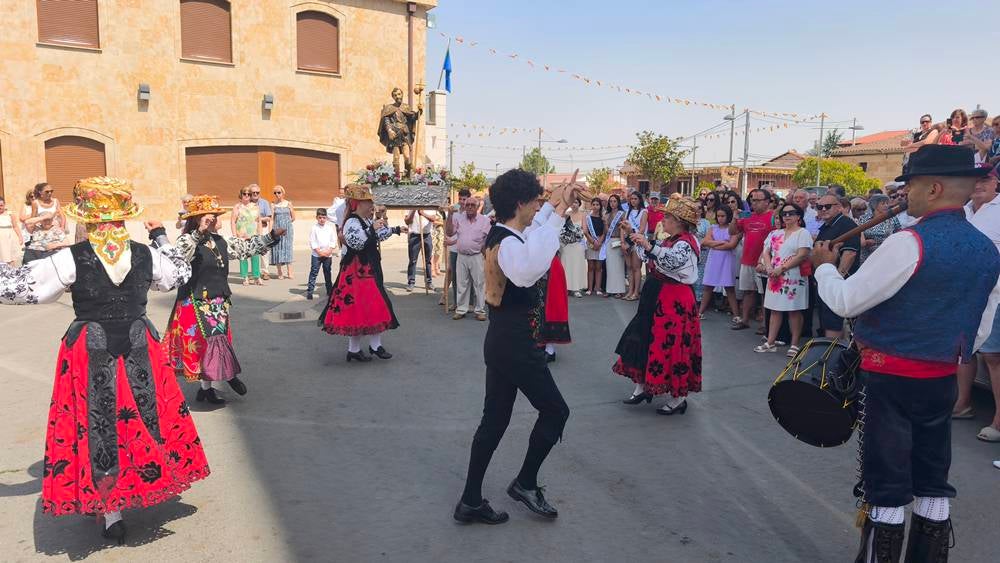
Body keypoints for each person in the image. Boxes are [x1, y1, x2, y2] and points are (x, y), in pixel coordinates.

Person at [812, 145, 1000, 563]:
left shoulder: (908, 242)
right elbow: (980, 321)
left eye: (911, 186)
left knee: (887, 478)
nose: (904, 195)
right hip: (941, 377)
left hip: (890, 379)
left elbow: (846, 301)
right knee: (933, 474)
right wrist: (948, 351)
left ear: (933, 188)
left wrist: (823, 265)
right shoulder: (988, 250)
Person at [0, 177, 209, 545]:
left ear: (87, 219)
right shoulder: (145, 253)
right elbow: (178, 274)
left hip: (91, 347)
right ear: (124, 216)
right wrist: (161, 236)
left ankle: (111, 511)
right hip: (137, 342)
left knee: (100, 421)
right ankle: (144, 481)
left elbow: (19, 288)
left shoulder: (71, 256)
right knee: (143, 416)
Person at [454, 169, 572, 525]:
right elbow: (526, 270)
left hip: (504, 342)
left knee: (494, 422)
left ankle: (470, 501)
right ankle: (525, 483)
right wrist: (559, 214)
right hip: (517, 346)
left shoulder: (507, 233)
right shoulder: (506, 242)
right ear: (519, 203)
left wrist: (554, 207)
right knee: (556, 412)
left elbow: (534, 237)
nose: (539, 206)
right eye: (535, 200)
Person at [165, 195, 282, 404]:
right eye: (214, 216)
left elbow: (246, 248)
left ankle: (208, 387)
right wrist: (198, 233)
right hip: (196, 301)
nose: (219, 219)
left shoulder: (221, 240)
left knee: (217, 344)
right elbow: (179, 256)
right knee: (207, 345)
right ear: (202, 219)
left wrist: (271, 236)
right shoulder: (186, 239)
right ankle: (224, 379)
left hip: (218, 301)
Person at [614, 195, 702, 415]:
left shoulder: (686, 243)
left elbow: (671, 260)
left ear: (679, 221)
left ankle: (679, 398)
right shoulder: (672, 239)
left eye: (668, 217)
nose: (663, 220)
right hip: (657, 295)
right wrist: (635, 234)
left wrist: (648, 245)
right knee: (645, 339)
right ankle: (643, 386)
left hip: (675, 299)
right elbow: (651, 256)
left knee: (672, 345)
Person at [320, 184, 407, 362]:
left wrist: (396, 230)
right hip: (357, 272)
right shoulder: (352, 222)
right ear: (357, 204)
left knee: (370, 307)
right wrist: (372, 229)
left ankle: (365, 348)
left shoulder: (366, 220)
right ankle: (364, 347)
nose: (371, 205)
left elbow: (379, 235)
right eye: (368, 202)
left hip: (368, 268)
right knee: (364, 307)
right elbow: (357, 243)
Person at [953, 166, 1000, 447]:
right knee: (964, 350)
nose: (979, 184)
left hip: (994, 293)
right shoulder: (964, 210)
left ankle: (998, 420)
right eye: (975, 179)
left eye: (986, 179)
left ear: (996, 183)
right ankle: (962, 403)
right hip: (966, 294)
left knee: (994, 357)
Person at [755, 202, 812, 356]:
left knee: (794, 310)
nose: (787, 216)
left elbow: (802, 254)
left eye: (791, 213)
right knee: (774, 309)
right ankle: (770, 342)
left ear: (798, 216)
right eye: (784, 214)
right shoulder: (775, 233)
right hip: (774, 275)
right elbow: (766, 252)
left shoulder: (803, 233)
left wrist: (782, 268)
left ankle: (794, 344)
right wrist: (768, 267)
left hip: (793, 276)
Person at [812, 194, 860, 338]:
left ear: (839, 207)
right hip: (826, 282)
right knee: (826, 320)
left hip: (837, 283)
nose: (823, 209)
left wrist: (835, 280)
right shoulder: (827, 226)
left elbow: (850, 254)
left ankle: (832, 356)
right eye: (820, 207)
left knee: (834, 322)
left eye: (828, 206)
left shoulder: (846, 224)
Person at [729, 188, 773, 330]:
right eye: (752, 200)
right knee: (748, 291)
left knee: (764, 295)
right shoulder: (747, 217)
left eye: (758, 200)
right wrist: (735, 217)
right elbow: (732, 231)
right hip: (747, 260)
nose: (754, 203)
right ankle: (745, 320)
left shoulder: (773, 217)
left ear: (767, 202)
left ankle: (765, 324)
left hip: (764, 262)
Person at [446, 196, 491, 321]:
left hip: (477, 256)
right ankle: (461, 309)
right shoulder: (459, 219)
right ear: (464, 207)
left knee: (479, 284)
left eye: (472, 205)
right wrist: (449, 216)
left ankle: (480, 310)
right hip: (462, 256)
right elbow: (449, 233)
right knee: (461, 284)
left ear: (477, 207)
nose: (470, 207)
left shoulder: (484, 221)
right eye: (468, 205)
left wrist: (485, 250)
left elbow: (489, 238)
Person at [698, 205, 739, 320]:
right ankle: (700, 312)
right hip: (713, 259)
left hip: (727, 259)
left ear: (728, 216)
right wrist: (722, 243)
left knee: (729, 288)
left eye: (723, 216)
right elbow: (705, 241)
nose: (720, 218)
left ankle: (736, 315)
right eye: (719, 216)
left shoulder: (732, 228)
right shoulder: (713, 227)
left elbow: (731, 245)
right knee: (708, 286)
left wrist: (714, 244)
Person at [445, 188, 474, 309]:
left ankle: (471, 302)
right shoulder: (454, 210)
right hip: (455, 249)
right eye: (460, 199)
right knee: (456, 276)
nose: (462, 202)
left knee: (469, 276)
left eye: (464, 199)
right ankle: (457, 302)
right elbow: (449, 230)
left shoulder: (472, 211)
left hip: (468, 248)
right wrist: (450, 215)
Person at [231, 186, 263, 286]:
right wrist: (234, 235)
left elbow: (259, 221)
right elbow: (233, 221)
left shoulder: (255, 206)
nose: (247, 196)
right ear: (241, 195)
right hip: (242, 235)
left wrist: (260, 234)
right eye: (244, 194)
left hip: (253, 234)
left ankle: (257, 277)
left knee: (255, 256)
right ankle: (245, 277)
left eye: (249, 194)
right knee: (243, 256)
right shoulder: (237, 207)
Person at [621, 191, 648, 301]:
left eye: (635, 199)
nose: (633, 201)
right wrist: (623, 242)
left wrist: (631, 242)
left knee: (636, 268)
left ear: (640, 200)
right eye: (631, 199)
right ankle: (630, 290)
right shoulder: (627, 212)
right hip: (627, 241)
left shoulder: (644, 212)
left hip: (638, 242)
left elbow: (641, 229)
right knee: (629, 268)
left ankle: (636, 292)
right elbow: (622, 228)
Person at [307, 208, 338, 301]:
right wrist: (319, 252)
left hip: (327, 254)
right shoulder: (314, 228)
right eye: (320, 217)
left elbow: (333, 240)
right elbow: (312, 241)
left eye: (324, 218)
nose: (322, 220)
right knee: (314, 272)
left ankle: (329, 291)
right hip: (317, 255)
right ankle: (310, 292)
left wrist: (329, 250)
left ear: (326, 218)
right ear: (317, 218)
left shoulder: (329, 228)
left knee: (327, 272)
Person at [858, 194, 900, 263]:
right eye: (883, 204)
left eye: (887, 203)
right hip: (867, 255)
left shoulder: (892, 218)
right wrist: (866, 242)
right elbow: (858, 235)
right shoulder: (863, 218)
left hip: (886, 253)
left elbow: (898, 233)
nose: (886, 206)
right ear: (875, 205)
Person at [559, 200, 587, 298]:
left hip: (578, 244)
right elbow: (561, 227)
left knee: (577, 264)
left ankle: (576, 288)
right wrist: (566, 236)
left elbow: (584, 229)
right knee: (566, 264)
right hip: (567, 244)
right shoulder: (566, 214)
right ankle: (565, 287)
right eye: (573, 202)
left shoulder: (583, 215)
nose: (574, 204)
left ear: (579, 204)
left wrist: (577, 234)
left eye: (576, 202)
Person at [405, 208, 436, 292]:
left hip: (427, 235)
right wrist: (414, 211)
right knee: (413, 260)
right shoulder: (410, 206)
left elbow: (433, 219)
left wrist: (422, 213)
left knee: (428, 260)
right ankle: (411, 282)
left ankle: (429, 282)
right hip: (415, 235)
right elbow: (407, 221)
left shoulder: (430, 206)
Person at [269, 185, 296, 279]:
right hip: (277, 229)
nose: (277, 194)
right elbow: (271, 218)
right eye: (275, 193)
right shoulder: (273, 204)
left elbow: (293, 217)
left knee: (287, 248)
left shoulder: (288, 203)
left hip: (287, 229)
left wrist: (287, 224)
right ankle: (279, 271)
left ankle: (290, 271)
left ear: (283, 193)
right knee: (277, 248)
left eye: (279, 192)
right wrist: (271, 230)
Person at [604, 194, 627, 297]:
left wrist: (622, 242)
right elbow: (605, 231)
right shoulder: (607, 214)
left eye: (614, 201)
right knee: (610, 267)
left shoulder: (622, 214)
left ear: (618, 202)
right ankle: (610, 289)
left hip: (618, 240)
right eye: (611, 201)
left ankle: (619, 290)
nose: (612, 203)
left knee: (618, 266)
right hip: (609, 241)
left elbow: (623, 229)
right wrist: (605, 223)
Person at [583, 197, 606, 296]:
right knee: (591, 266)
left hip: (600, 243)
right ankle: (590, 288)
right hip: (590, 242)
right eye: (594, 204)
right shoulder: (587, 217)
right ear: (591, 205)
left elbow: (605, 232)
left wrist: (599, 242)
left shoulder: (603, 217)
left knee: (598, 267)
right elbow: (585, 231)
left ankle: (598, 288)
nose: (596, 206)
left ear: (600, 206)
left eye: (597, 204)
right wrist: (593, 241)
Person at [249, 185, 272, 280]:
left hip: (263, 228)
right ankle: (255, 272)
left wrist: (260, 219)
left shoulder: (264, 203)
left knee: (264, 251)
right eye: (253, 192)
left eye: (257, 192)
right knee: (252, 251)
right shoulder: (247, 203)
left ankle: (265, 272)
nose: (255, 194)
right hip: (251, 230)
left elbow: (269, 217)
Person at [692, 202, 711, 304]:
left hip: (703, 251)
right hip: (690, 251)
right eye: (695, 208)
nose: (697, 210)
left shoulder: (706, 222)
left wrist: (700, 245)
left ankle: (699, 301)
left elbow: (708, 237)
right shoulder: (688, 221)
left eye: (699, 208)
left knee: (701, 276)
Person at [0, 196, 23, 266]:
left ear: (4, 205)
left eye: (1, 205)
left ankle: (11, 273)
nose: (0, 207)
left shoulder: (10, 214)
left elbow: (15, 227)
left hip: (9, 238)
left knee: (10, 257)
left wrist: (20, 237)